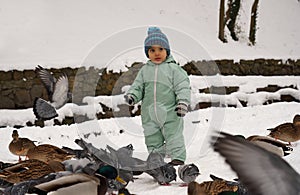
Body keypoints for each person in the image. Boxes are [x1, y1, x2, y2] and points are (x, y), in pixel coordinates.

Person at [124, 27, 191, 166]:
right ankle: (156, 160)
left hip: (171, 112)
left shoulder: (174, 69)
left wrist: (182, 102)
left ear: (167, 50)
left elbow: (182, 86)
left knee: (174, 136)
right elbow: (138, 86)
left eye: (160, 49)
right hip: (149, 114)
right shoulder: (144, 70)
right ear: (147, 53)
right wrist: (133, 96)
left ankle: (177, 158)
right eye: (152, 50)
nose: (157, 53)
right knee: (152, 138)